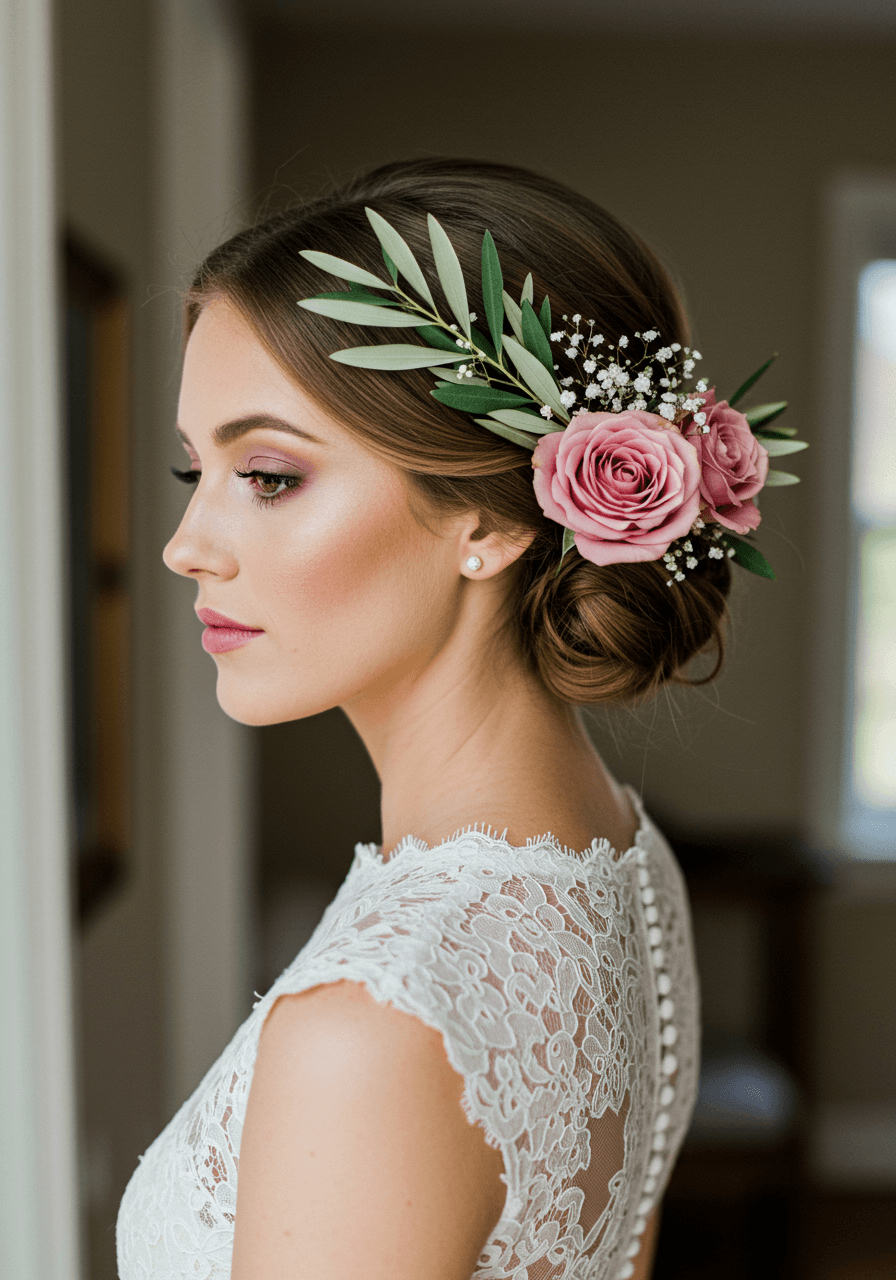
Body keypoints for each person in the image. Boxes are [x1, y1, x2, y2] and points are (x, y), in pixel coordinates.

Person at [116, 157, 797, 1280]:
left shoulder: (372, 1029)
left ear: (488, 517)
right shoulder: (620, 857)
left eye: (270, 474)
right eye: (194, 469)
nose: (186, 544)